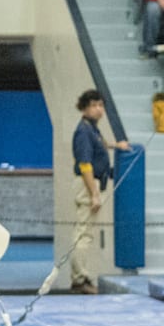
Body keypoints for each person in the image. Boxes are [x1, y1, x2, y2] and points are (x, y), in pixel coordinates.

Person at [69, 90, 130, 295]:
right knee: (83, 234)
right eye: (94, 105)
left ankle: (82, 276)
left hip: (95, 184)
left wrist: (116, 145)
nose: (99, 109)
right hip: (89, 185)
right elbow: (85, 164)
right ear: (85, 107)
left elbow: (101, 145)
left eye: (101, 105)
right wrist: (94, 193)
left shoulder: (92, 129)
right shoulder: (83, 132)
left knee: (87, 233)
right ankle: (79, 278)